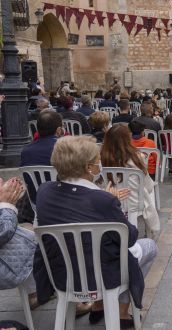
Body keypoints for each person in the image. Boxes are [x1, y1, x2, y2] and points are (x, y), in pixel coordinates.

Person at [33, 136, 157, 329]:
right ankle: (121, 312)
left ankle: (98, 305)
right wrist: (112, 203)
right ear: (89, 168)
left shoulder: (44, 192)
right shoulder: (101, 200)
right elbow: (130, 238)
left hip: (62, 271)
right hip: (102, 274)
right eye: (97, 160)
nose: (100, 163)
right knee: (149, 246)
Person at [101, 125, 160, 239]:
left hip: (111, 200)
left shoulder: (102, 159)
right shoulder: (138, 157)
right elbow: (147, 185)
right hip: (134, 202)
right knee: (149, 189)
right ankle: (149, 230)